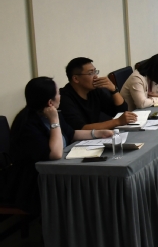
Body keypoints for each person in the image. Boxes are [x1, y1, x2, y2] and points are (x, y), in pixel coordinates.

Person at [8, 77, 113, 211]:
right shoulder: (28, 125)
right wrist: (54, 121)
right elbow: (55, 154)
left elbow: (71, 134)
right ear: (50, 102)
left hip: (58, 173)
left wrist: (98, 133)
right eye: (58, 93)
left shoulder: (51, 114)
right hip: (34, 183)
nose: (60, 96)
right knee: (89, 188)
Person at [59, 57, 137, 130]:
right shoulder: (64, 98)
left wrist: (114, 90)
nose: (96, 77)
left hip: (97, 135)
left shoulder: (94, 90)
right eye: (91, 73)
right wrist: (117, 122)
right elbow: (80, 128)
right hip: (81, 138)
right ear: (76, 79)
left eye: (95, 72)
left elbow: (121, 111)